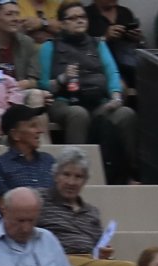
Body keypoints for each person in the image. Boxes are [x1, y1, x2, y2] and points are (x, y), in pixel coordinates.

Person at [40, 3, 138, 181]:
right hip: (64, 102)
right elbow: (44, 85)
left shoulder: (98, 44)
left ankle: (128, 174)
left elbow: (112, 72)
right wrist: (63, 78)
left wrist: (115, 96)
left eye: (82, 17)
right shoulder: (49, 47)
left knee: (125, 114)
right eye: (73, 18)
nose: (79, 21)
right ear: (62, 23)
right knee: (78, 114)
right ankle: (74, 175)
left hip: (98, 101)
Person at [40, 147, 136, 266]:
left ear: (85, 181)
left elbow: (97, 249)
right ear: (56, 176)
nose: (71, 182)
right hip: (55, 260)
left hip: (88, 262)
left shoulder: (91, 212)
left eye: (78, 177)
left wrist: (103, 254)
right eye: (66, 174)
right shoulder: (39, 200)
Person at [0, 102, 55, 198]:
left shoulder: (49, 160)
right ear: (15, 134)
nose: (40, 130)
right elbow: (3, 204)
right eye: (33, 126)